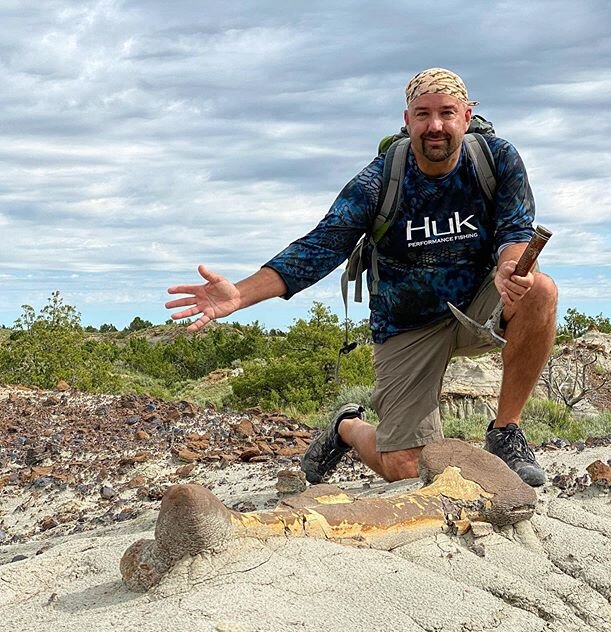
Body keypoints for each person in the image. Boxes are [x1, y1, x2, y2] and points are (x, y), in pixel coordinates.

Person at [166, 67, 557, 488]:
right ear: (407, 121)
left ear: (466, 115)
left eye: (446, 113)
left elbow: (516, 230)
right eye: (423, 114)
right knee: (407, 470)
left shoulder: (497, 159)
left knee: (541, 290)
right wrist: (238, 295)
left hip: (478, 304)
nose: (436, 126)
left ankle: (505, 433)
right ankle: (347, 428)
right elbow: (319, 247)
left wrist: (509, 265)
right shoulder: (378, 181)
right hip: (406, 324)